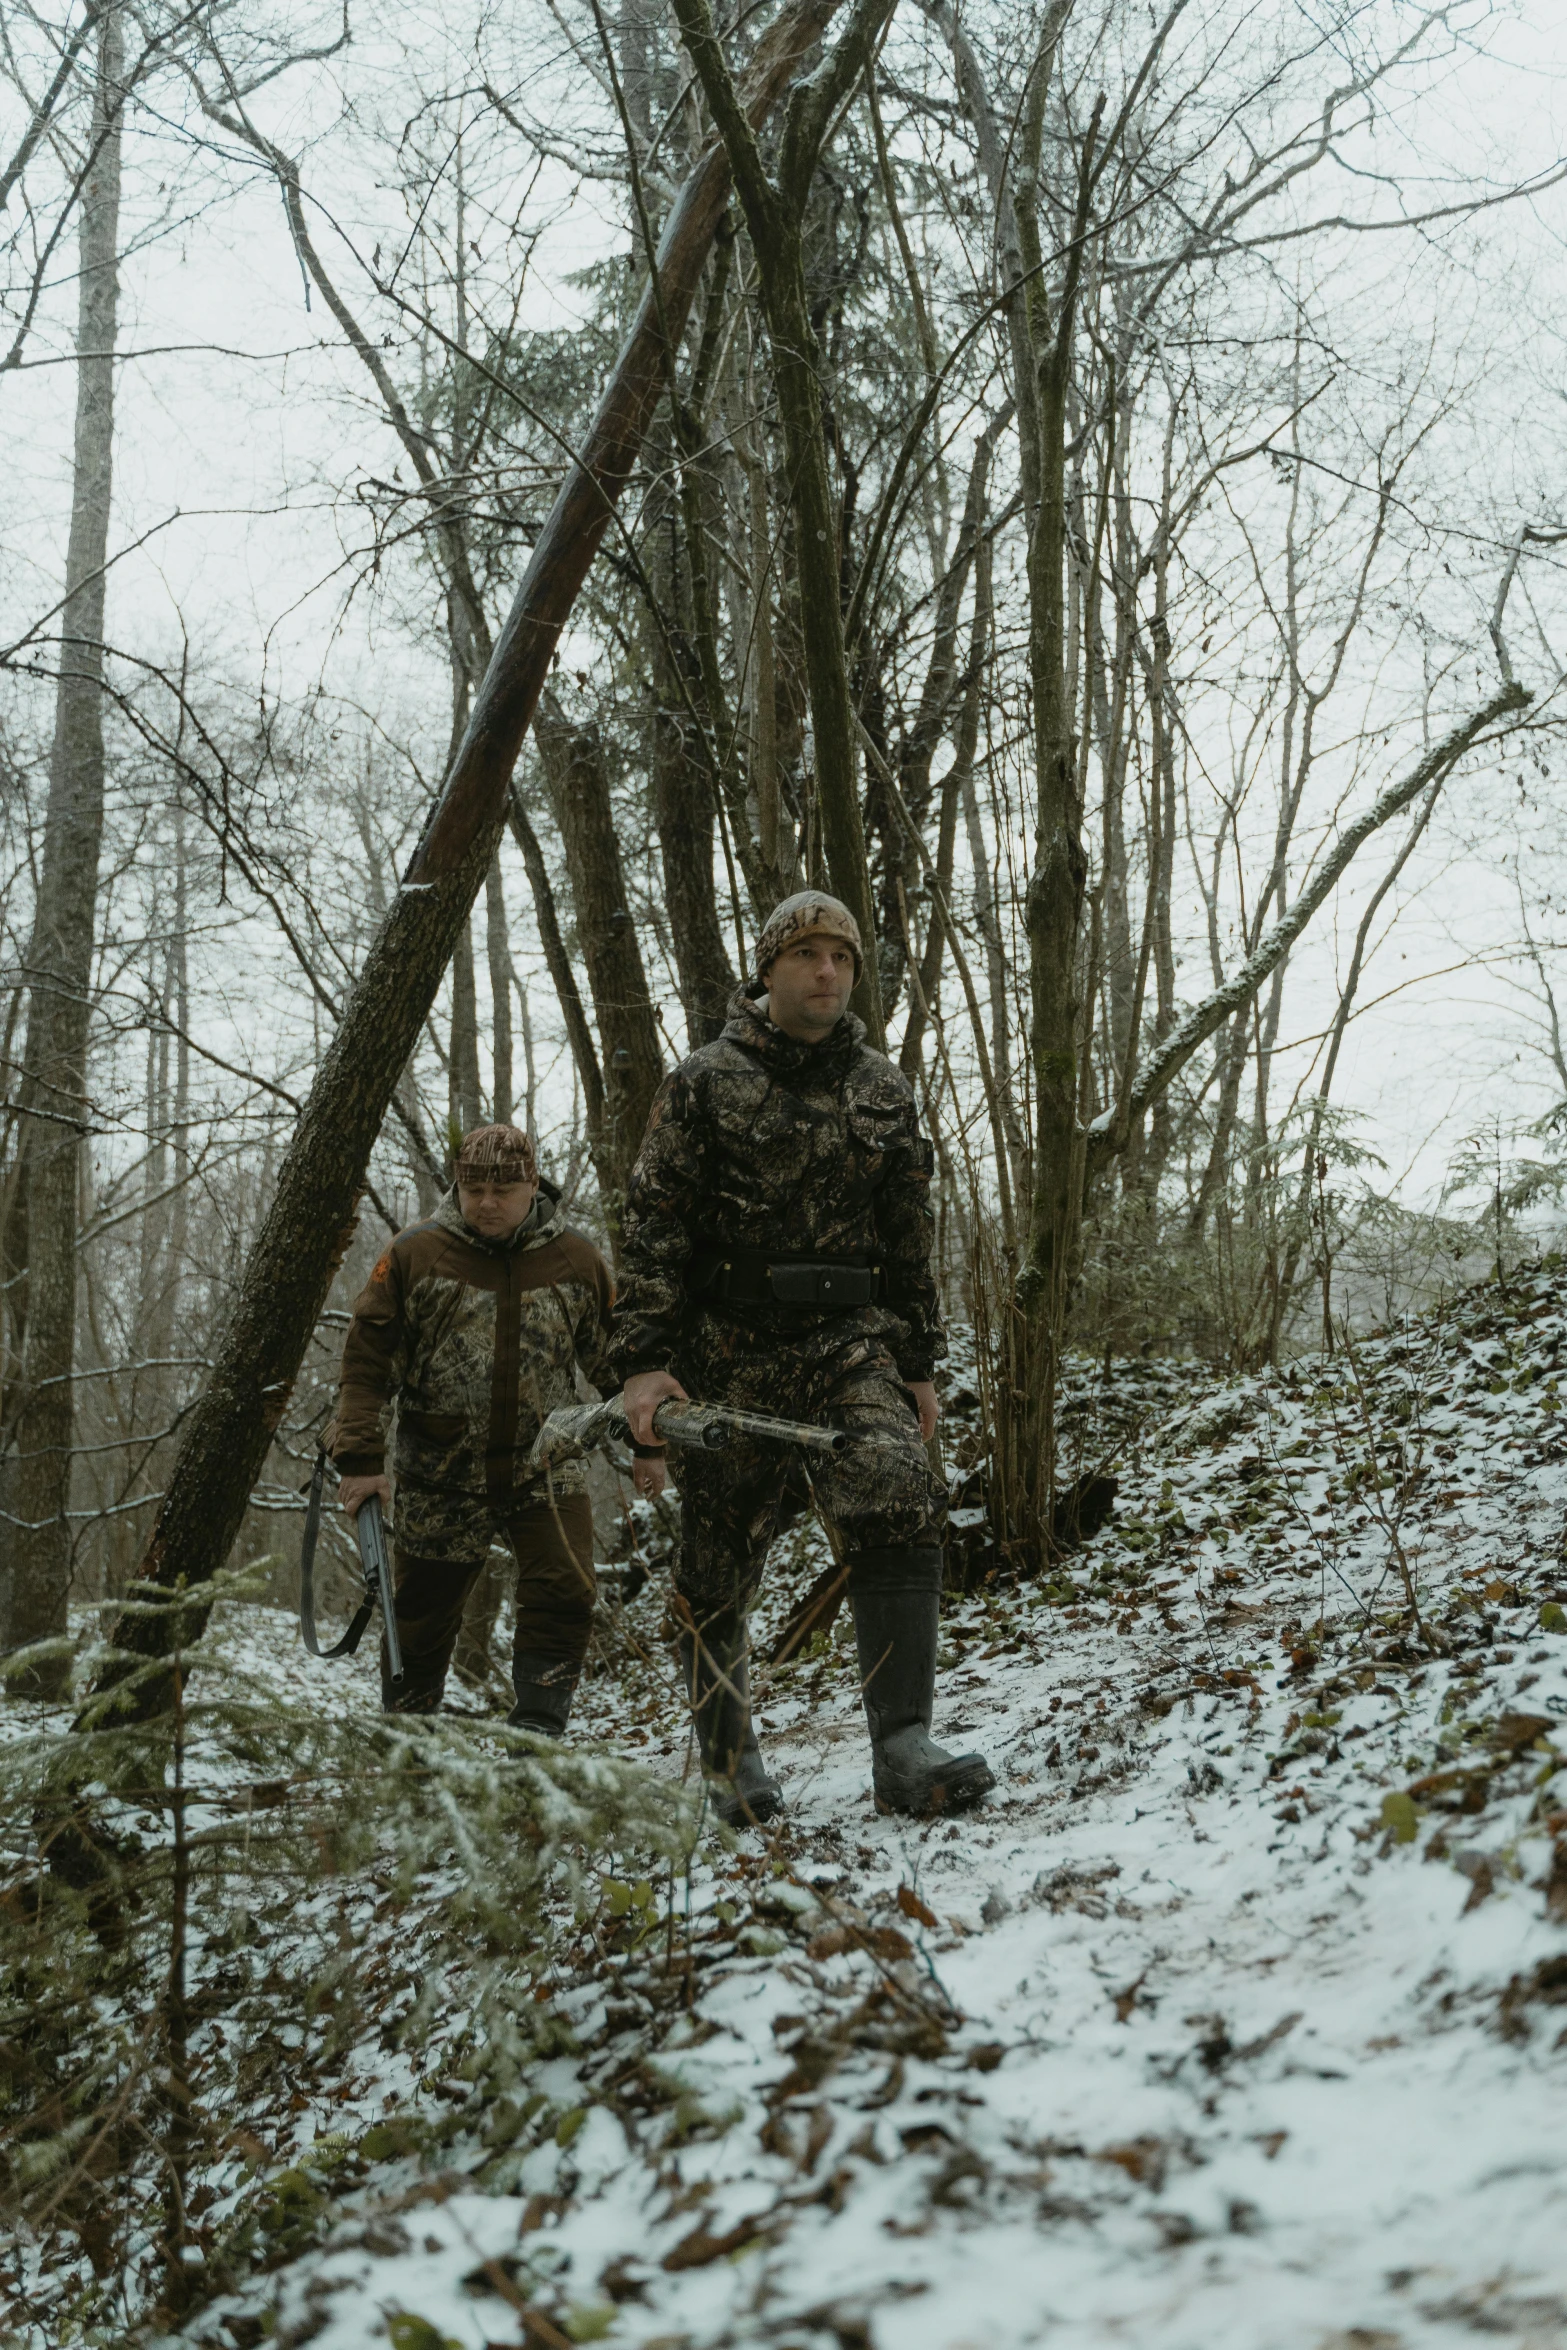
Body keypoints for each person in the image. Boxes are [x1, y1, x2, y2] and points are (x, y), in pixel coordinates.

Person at [609, 891, 994, 1824]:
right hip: (728, 1350)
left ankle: (903, 1749)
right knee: (716, 1565)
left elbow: (908, 1231)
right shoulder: (703, 1080)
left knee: (898, 1489)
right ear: (769, 967)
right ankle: (728, 1762)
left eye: (843, 958)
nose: (828, 972)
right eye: (809, 955)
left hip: (848, 1345)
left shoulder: (882, 1087)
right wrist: (643, 1364)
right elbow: (653, 1226)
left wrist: (918, 1362)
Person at [329, 1122, 661, 1728]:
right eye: (471, 1187)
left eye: (502, 1191)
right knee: (420, 1619)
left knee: (566, 1595)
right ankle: (411, 1752)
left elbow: (623, 1366)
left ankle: (535, 1744)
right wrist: (360, 1462)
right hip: (439, 1469)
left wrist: (649, 1444)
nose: (485, 1203)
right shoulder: (414, 1255)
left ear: (533, 1185)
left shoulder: (576, 1259)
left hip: (547, 1465)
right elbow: (367, 1364)